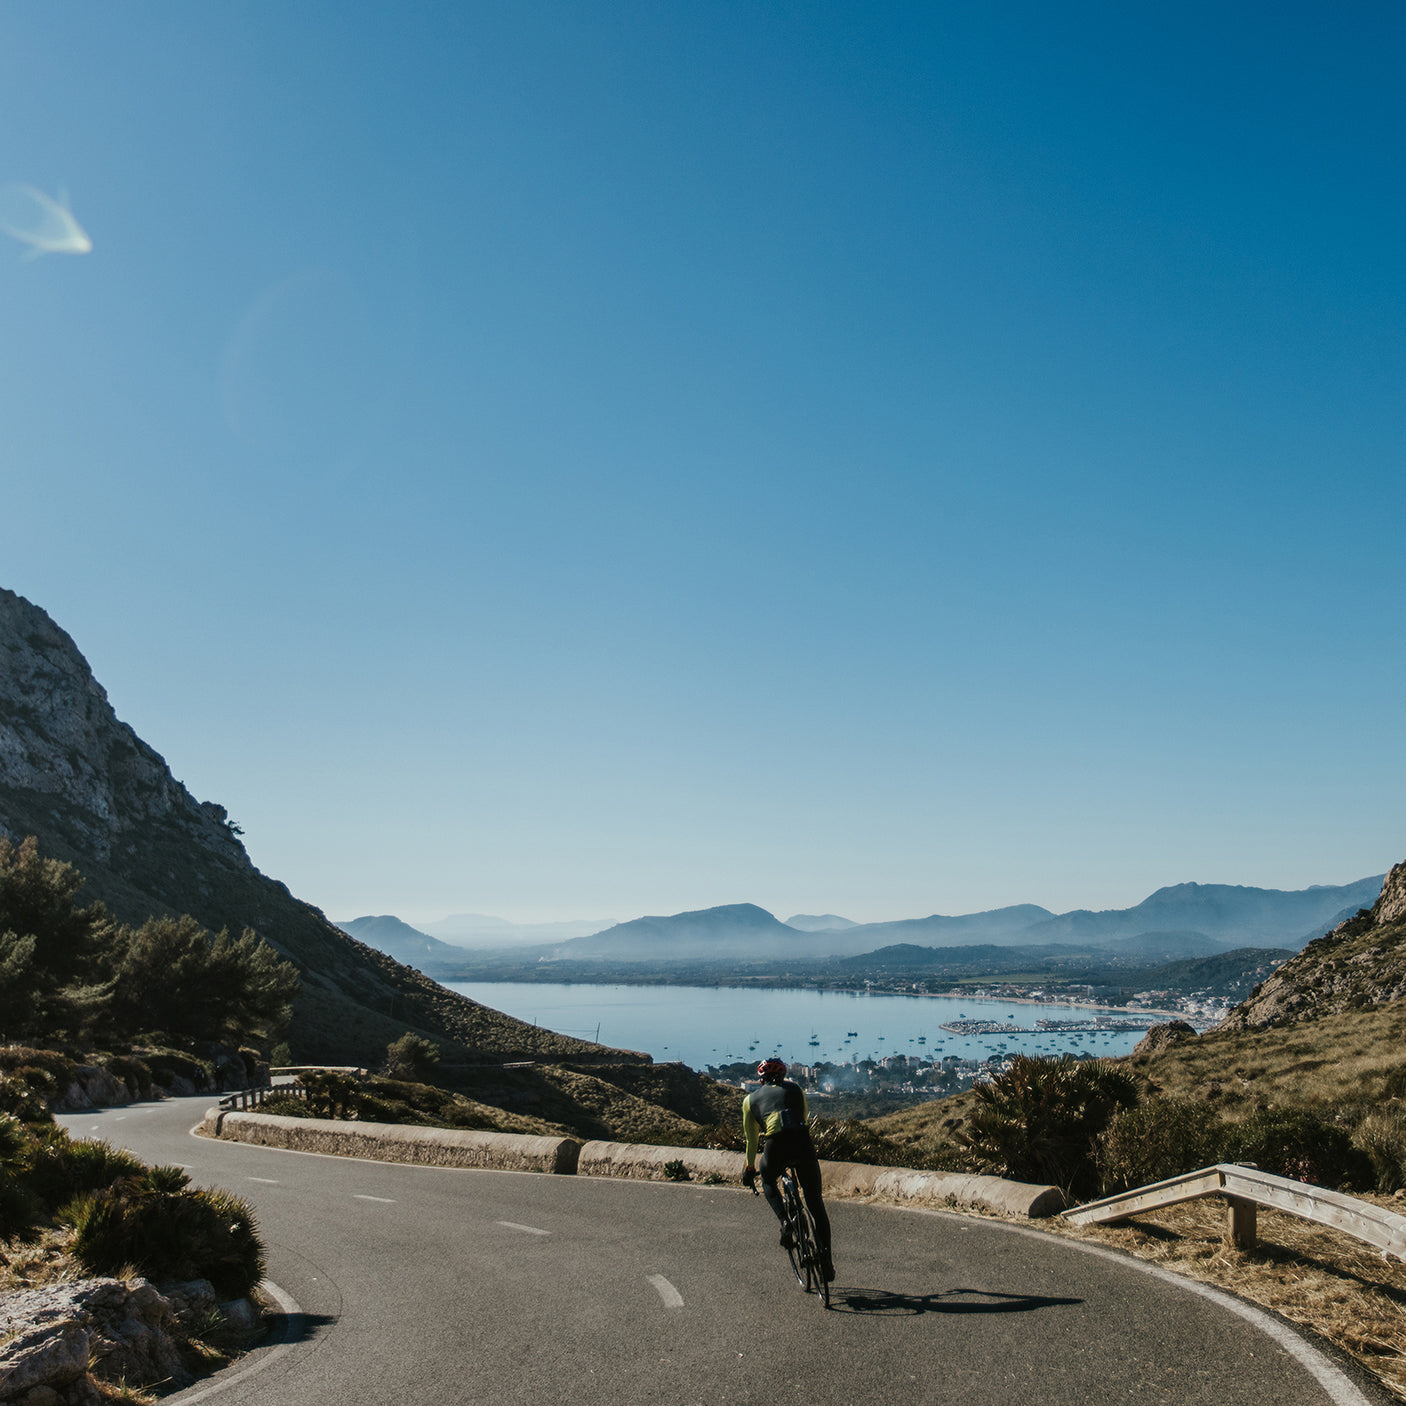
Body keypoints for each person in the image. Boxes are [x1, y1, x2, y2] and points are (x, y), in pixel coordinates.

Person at [741, 1057, 834, 1282]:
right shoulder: (796, 1089)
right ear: (783, 1076)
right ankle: (827, 1264)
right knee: (815, 1205)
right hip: (802, 1144)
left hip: (775, 1147)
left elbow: (751, 1139)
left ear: (760, 1079)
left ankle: (785, 1221)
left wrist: (749, 1168)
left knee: (768, 1180)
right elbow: (802, 1119)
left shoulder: (750, 1100)